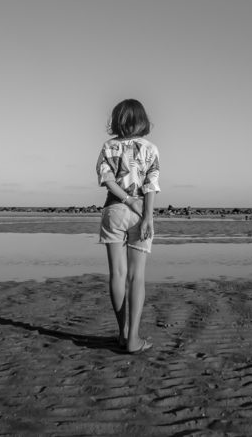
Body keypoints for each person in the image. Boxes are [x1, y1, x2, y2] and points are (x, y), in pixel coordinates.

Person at [96, 99, 160, 353]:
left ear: (117, 120)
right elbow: (151, 184)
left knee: (117, 276)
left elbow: (105, 178)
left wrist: (125, 199)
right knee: (137, 277)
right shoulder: (150, 148)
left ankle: (122, 334)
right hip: (139, 212)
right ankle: (133, 339)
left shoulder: (108, 146)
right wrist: (147, 215)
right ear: (142, 120)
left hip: (113, 210)